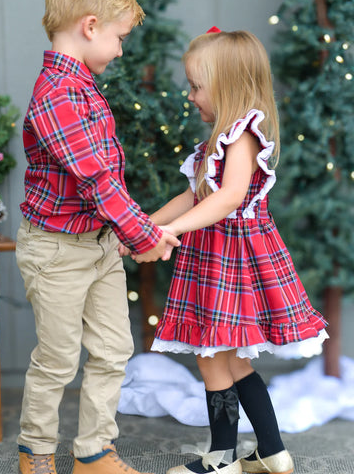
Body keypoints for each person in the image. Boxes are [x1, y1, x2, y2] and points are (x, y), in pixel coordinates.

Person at [139, 28, 328, 474]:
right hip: (218, 256)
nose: (190, 96)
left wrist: (173, 232)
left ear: (226, 84)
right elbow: (194, 195)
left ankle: (222, 458)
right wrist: (150, 225)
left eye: (196, 85)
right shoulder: (219, 140)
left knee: (211, 357)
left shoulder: (242, 135)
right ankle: (271, 451)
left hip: (231, 259)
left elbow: (226, 198)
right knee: (231, 359)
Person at [15, 0, 179, 474]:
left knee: (113, 349)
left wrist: (124, 233)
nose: (122, 49)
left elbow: (105, 179)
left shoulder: (83, 86)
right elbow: (95, 179)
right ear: (90, 26)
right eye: (119, 37)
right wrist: (145, 233)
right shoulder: (57, 95)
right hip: (57, 250)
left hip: (100, 245)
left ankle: (93, 452)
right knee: (59, 358)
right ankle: (36, 453)